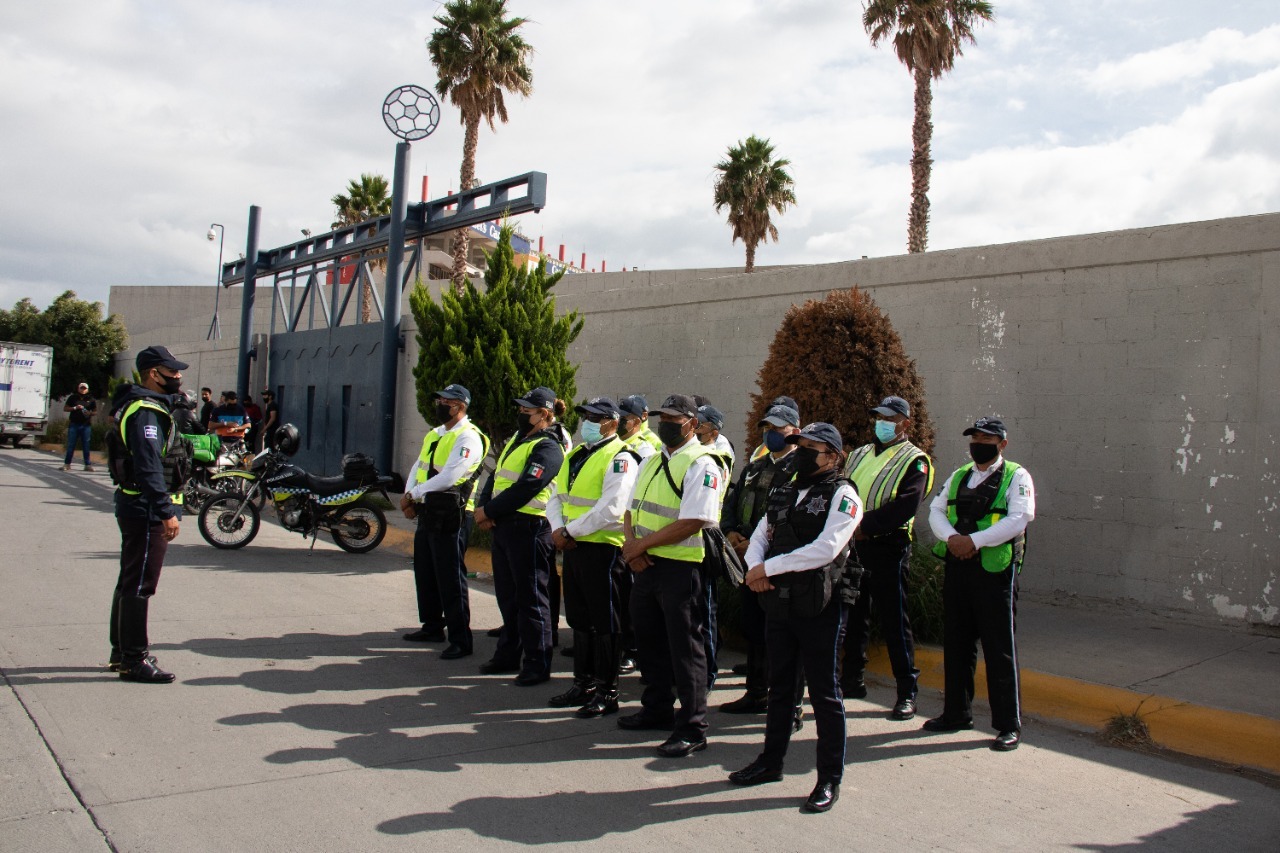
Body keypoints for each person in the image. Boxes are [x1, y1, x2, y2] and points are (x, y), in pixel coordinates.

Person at [730, 423, 863, 814]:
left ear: (833, 456)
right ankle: (771, 763)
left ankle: (828, 779)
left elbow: (827, 548)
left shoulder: (843, 493)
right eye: (799, 446)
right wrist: (755, 566)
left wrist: (768, 568)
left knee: (823, 692)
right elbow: (761, 533)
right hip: (780, 601)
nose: (802, 453)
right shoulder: (785, 488)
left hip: (821, 605)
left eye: (812, 448)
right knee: (780, 685)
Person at [923, 417, 1035, 752]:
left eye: (987, 438)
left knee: (999, 647)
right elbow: (936, 510)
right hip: (959, 565)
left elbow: (1020, 518)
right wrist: (954, 538)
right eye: (975, 437)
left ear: (1002, 444)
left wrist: (975, 541)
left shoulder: (1017, 475)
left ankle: (1007, 725)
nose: (979, 443)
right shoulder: (960, 474)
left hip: (993, 570)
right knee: (957, 643)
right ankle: (956, 713)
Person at [618, 394, 722, 758]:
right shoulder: (650, 459)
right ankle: (657, 708)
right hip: (645, 566)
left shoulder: (702, 463)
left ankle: (693, 727)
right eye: (664, 417)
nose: (666, 424)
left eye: (675, 418)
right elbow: (631, 509)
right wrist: (633, 546)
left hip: (680, 569)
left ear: (693, 424)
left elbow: (694, 520)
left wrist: (640, 547)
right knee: (650, 642)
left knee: (685, 650)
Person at [840, 395, 934, 720]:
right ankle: (851, 680)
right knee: (854, 615)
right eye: (879, 416)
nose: (882, 423)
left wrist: (865, 527)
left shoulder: (915, 460)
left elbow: (907, 505)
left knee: (895, 621)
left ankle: (907, 692)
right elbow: (844, 491)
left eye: (889, 418)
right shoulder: (858, 454)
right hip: (855, 544)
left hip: (888, 547)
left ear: (905, 423)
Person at [546, 397, 639, 717]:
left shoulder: (621, 457)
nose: (587, 422)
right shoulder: (575, 454)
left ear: (613, 423)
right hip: (574, 548)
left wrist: (568, 532)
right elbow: (555, 497)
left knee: (606, 623)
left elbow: (613, 508)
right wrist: (559, 530)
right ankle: (582, 684)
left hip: (603, 550)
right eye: (585, 415)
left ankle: (607, 691)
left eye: (595, 418)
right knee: (579, 618)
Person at [105, 346, 192, 684]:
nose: (178, 377)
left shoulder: (143, 405)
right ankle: (133, 659)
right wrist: (165, 510)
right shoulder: (144, 411)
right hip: (144, 508)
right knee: (141, 583)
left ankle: (121, 651)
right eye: (171, 372)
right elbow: (148, 465)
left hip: (137, 505)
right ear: (154, 374)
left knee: (129, 580)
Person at [474, 387, 566, 686]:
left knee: (531, 600)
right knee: (509, 597)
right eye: (522, 409)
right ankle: (507, 655)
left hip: (529, 528)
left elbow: (527, 486)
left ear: (545, 415)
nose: (522, 414)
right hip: (505, 528)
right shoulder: (519, 439)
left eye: (528, 410)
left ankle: (537, 663)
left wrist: (490, 511)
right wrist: (483, 507)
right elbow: (497, 476)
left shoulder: (549, 446)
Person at [719, 402, 801, 714]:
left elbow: (786, 516)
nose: (770, 433)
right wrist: (730, 533)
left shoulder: (799, 470)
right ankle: (756, 692)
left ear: (793, 430)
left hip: (775, 561)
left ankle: (788, 703)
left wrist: (751, 540)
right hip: (747, 558)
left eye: (778, 428)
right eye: (767, 427)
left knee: (780, 634)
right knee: (754, 627)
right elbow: (733, 500)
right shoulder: (756, 466)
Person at [401, 384, 490, 660]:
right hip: (429, 510)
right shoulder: (436, 433)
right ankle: (432, 626)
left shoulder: (469, 438)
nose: (439, 404)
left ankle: (461, 638)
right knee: (425, 571)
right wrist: (409, 495)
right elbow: (420, 466)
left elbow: (450, 476)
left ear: (459, 406)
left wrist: (415, 494)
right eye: (438, 399)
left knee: (450, 577)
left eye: (445, 401)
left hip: (453, 513)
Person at [694, 403, 733, 688]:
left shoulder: (717, 455)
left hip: (706, 536)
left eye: (699, 425)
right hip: (686, 538)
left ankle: (707, 672)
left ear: (713, 430)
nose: (694, 429)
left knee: (705, 609)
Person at [62, 381, 97, 471]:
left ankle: (87, 465)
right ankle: (67, 464)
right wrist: (75, 408)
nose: (83, 390)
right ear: (78, 388)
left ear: (87, 390)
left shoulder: (91, 399)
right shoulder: (73, 398)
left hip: (86, 425)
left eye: (84, 388)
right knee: (71, 445)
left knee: (86, 445)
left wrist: (90, 413)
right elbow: (65, 408)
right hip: (74, 424)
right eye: (81, 388)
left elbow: (95, 411)